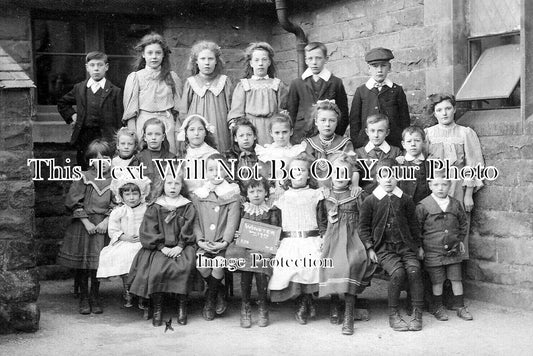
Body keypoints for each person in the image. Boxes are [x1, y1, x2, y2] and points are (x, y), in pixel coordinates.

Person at [359, 159, 424, 332]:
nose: (388, 179)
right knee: (398, 272)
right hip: (384, 248)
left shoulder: (405, 199)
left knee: (414, 270)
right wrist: (370, 247)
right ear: (377, 178)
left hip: (405, 246)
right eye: (383, 175)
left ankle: (418, 313)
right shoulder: (370, 200)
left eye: (392, 175)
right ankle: (393, 314)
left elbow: (414, 225)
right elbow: (363, 227)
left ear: (399, 177)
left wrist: (418, 246)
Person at [128, 172, 198, 327]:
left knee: (184, 267)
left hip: (182, 246)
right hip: (159, 247)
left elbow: (189, 228)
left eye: (177, 184)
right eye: (169, 183)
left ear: (182, 186)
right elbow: (148, 229)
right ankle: (158, 308)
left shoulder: (187, 206)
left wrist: (180, 246)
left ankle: (182, 306)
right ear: (163, 185)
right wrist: (161, 247)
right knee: (157, 269)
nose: (173, 187)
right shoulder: (155, 206)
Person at [319, 154, 376, 335]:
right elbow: (320, 220)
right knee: (332, 263)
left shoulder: (356, 195)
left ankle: (349, 314)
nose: (340, 177)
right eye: (336, 172)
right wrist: (322, 236)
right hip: (331, 238)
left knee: (352, 263)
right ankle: (335, 304)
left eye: (345, 174)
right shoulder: (324, 195)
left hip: (353, 238)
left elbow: (365, 220)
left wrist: (368, 245)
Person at [268, 153, 327, 325]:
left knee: (312, 261)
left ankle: (307, 300)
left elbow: (322, 218)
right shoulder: (282, 197)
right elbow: (275, 221)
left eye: (302, 170)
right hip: (289, 240)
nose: (298, 174)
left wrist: (323, 236)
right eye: (294, 171)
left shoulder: (316, 195)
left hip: (311, 238)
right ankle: (302, 301)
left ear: (309, 174)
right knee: (288, 261)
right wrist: (275, 240)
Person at [57, 139, 115, 315]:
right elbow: (73, 202)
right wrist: (86, 222)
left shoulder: (115, 178)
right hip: (85, 225)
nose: (102, 163)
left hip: (103, 224)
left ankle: (95, 295)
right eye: (96, 160)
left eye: (106, 158)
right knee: (84, 264)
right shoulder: (84, 177)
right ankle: (83, 296)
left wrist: (106, 221)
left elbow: (117, 203)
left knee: (97, 263)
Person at [424, 93, 484, 258]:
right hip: (434, 187)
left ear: (455, 109)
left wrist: (469, 195)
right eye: (439, 109)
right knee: (434, 226)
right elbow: (420, 162)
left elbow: (473, 164)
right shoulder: (428, 134)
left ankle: (456, 270)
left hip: (457, 187)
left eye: (448, 108)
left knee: (456, 225)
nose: (444, 113)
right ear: (434, 113)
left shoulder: (465, 133)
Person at [226, 178, 281, 328]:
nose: (256, 195)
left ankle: (263, 306)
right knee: (246, 264)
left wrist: (273, 244)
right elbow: (237, 229)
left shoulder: (272, 211)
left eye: (259, 191)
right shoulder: (244, 209)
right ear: (247, 194)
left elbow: (276, 232)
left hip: (265, 250)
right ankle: (245, 306)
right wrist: (239, 235)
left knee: (261, 264)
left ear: (266, 193)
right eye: (252, 191)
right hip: (246, 249)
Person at [416, 174, 472, 321]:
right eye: (436, 185)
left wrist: (459, 239)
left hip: (453, 250)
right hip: (433, 251)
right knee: (437, 280)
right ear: (430, 186)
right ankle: (438, 306)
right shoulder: (423, 206)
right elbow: (417, 229)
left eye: (444, 185)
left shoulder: (455, 204)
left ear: (450, 185)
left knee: (456, 278)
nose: (440, 188)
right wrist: (419, 247)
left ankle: (460, 306)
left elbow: (463, 223)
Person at [191, 153, 241, 321]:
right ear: (206, 172)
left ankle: (210, 300)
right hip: (204, 242)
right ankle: (218, 291)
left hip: (223, 243)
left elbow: (232, 221)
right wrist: (200, 240)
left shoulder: (232, 193)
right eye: (212, 169)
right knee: (201, 264)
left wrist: (225, 242)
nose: (216, 173)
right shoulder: (200, 194)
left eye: (220, 169)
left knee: (218, 263)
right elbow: (196, 220)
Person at [57, 51, 123, 170]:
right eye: (92, 65)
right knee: (85, 165)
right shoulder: (80, 88)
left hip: (106, 137)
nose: (96, 69)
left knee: (105, 166)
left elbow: (119, 118)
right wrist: (72, 115)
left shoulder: (115, 91)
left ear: (106, 67)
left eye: (100, 65)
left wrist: (117, 139)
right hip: (84, 136)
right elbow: (62, 103)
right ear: (87, 68)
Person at [122, 33, 183, 154]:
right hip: (143, 123)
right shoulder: (136, 77)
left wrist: (177, 131)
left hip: (167, 124)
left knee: (169, 156)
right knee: (144, 158)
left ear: (163, 55)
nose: (154, 57)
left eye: (158, 53)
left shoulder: (172, 77)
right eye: (150, 53)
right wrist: (133, 133)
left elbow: (179, 109)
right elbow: (130, 112)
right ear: (143, 55)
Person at [96, 177, 150, 308]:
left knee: (143, 258)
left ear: (141, 194)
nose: (131, 198)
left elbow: (152, 225)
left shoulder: (147, 209)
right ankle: (128, 289)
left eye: (135, 194)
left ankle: (142, 293)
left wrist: (144, 237)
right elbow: (113, 230)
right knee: (126, 255)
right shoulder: (118, 211)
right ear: (121, 196)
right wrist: (126, 238)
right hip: (125, 241)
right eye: (127, 194)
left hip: (144, 241)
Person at [287, 42, 349, 144]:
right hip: (302, 136)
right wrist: (294, 136)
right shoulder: (297, 83)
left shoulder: (335, 83)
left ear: (326, 59)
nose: (314, 62)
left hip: (328, 137)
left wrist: (336, 135)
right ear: (306, 60)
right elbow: (291, 113)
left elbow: (343, 114)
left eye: (318, 58)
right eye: (310, 58)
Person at [228, 42, 288, 145]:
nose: (260, 63)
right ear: (251, 63)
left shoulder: (277, 84)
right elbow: (236, 113)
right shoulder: (244, 85)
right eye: (256, 60)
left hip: (271, 129)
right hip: (250, 129)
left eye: (264, 60)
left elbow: (282, 111)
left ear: (269, 62)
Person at [349, 47, 410, 148]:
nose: (379, 70)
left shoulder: (397, 90)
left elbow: (404, 120)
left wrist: (401, 142)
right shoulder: (361, 91)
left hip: (393, 143)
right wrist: (358, 143)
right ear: (369, 69)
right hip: (367, 144)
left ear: (389, 67)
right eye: (375, 66)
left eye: (383, 66)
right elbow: (355, 121)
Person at [179, 41, 233, 152]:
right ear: (196, 62)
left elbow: (231, 108)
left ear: (216, 61)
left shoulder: (224, 81)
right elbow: (183, 111)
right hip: (196, 126)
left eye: (210, 59)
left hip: (220, 126)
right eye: (203, 59)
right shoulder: (191, 82)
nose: (207, 63)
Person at [303, 99, 361, 192]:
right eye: (323, 120)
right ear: (316, 122)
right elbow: (305, 169)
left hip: (338, 189)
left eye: (332, 120)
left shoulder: (345, 143)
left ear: (337, 122)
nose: (327, 124)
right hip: (313, 190)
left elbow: (353, 169)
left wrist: (355, 186)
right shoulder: (309, 143)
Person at [355, 114, 402, 193]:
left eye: (380, 131)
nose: (376, 135)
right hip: (367, 196)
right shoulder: (359, 153)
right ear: (367, 132)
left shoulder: (396, 152)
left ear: (387, 132)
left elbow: (400, 177)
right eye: (372, 131)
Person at [131, 118, 176, 200]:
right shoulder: (138, 159)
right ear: (144, 137)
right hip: (143, 202)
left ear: (163, 137)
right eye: (150, 134)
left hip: (165, 201)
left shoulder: (171, 158)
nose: (153, 137)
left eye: (157, 134)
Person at [176, 114, 219, 192]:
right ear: (186, 133)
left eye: (200, 129)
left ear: (206, 132)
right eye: (192, 129)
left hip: (209, 194)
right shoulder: (182, 154)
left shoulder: (213, 154)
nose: (196, 133)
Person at [225, 118, 264, 193]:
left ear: (255, 136)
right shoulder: (229, 157)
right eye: (241, 136)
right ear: (235, 138)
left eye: (249, 135)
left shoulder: (261, 154)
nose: (245, 138)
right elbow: (229, 179)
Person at [397, 126, 431, 204]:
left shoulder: (430, 164)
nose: (413, 144)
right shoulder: (399, 165)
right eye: (409, 141)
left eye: (417, 140)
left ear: (424, 143)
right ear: (403, 144)